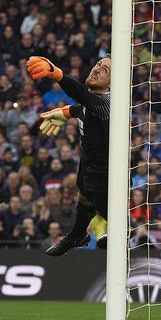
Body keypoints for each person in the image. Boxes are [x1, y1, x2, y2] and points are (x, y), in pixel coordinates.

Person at [27, 55, 111, 255]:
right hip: (89, 164)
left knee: (103, 205)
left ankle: (122, 231)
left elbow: (86, 99)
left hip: (107, 172)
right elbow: (84, 106)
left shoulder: (109, 103)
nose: (97, 69)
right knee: (83, 194)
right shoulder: (92, 103)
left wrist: (58, 74)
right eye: (99, 64)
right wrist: (66, 112)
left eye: (106, 71)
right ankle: (77, 235)